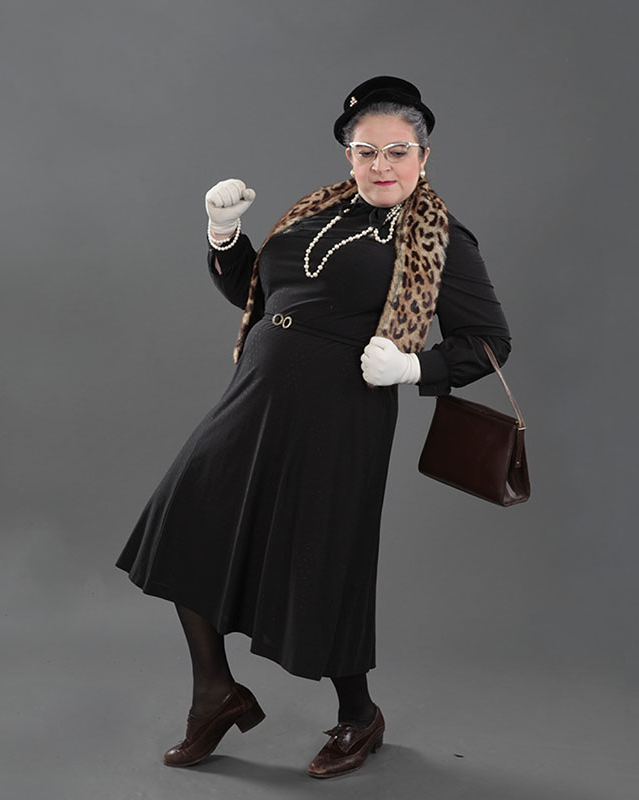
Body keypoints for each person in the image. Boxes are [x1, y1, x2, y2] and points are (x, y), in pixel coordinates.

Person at [116, 76, 512, 778]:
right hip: (253, 399)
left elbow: (489, 341)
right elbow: (261, 293)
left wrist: (414, 368)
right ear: (349, 155)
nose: (382, 165)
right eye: (367, 151)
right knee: (186, 523)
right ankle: (215, 692)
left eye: (398, 151)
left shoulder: (441, 236)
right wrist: (224, 235)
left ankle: (359, 715)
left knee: (322, 561)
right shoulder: (314, 211)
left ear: (424, 155)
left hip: (341, 417)